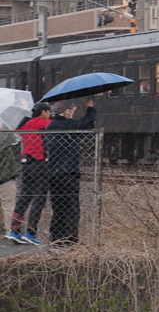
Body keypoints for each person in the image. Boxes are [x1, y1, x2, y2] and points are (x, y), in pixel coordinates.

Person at [43, 98, 97, 246]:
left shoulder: (51, 126)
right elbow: (86, 123)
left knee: (58, 208)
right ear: (64, 112)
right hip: (68, 172)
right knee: (71, 207)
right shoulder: (65, 125)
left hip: (54, 174)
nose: (72, 113)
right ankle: (69, 240)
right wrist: (90, 107)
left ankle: (57, 239)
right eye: (70, 110)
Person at [7, 102, 51, 246]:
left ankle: (15, 230)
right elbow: (55, 126)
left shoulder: (25, 125)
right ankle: (30, 232)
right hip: (40, 163)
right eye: (48, 112)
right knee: (39, 198)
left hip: (26, 164)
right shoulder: (43, 122)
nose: (50, 114)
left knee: (24, 197)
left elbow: (18, 130)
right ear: (43, 112)